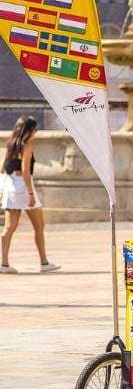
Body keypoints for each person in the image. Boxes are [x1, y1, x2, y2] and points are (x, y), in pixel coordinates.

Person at [1, 116, 59, 274]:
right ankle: (44, 262)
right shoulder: (27, 146)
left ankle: (4, 264)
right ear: (28, 131)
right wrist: (31, 194)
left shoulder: (10, 144)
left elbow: (2, 169)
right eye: (35, 129)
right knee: (39, 226)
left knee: (9, 227)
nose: (36, 133)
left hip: (10, 186)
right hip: (23, 187)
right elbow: (26, 171)